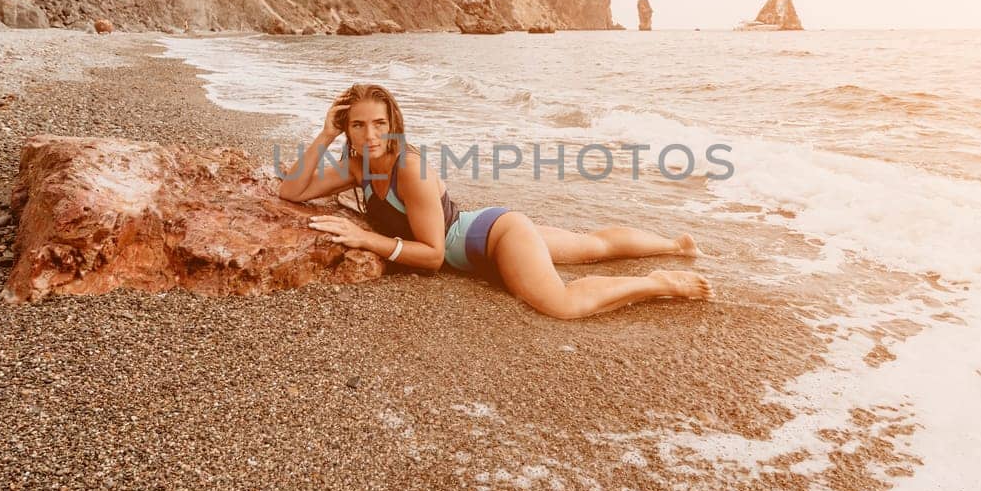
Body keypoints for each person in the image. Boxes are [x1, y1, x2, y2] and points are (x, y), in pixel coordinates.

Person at [277, 82, 711, 319]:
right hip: (476, 232)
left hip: (495, 237)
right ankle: (675, 244)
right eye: (356, 126)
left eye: (378, 124)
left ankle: (660, 282)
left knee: (561, 304)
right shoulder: (357, 166)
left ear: (393, 125)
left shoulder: (410, 168)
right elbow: (291, 191)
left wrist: (365, 239)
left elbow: (431, 256)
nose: (369, 135)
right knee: (594, 246)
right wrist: (325, 133)